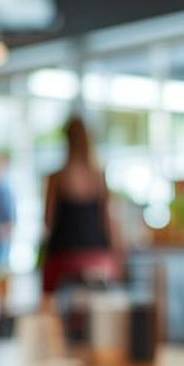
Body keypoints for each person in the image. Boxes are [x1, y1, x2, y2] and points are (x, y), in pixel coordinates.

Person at [41, 116, 120, 292]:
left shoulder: (56, 178)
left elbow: (47, 221)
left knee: (56, 313)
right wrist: (117, 259)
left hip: (62, 258)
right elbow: (108, 222)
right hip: (97, 257)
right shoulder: (99, 176)